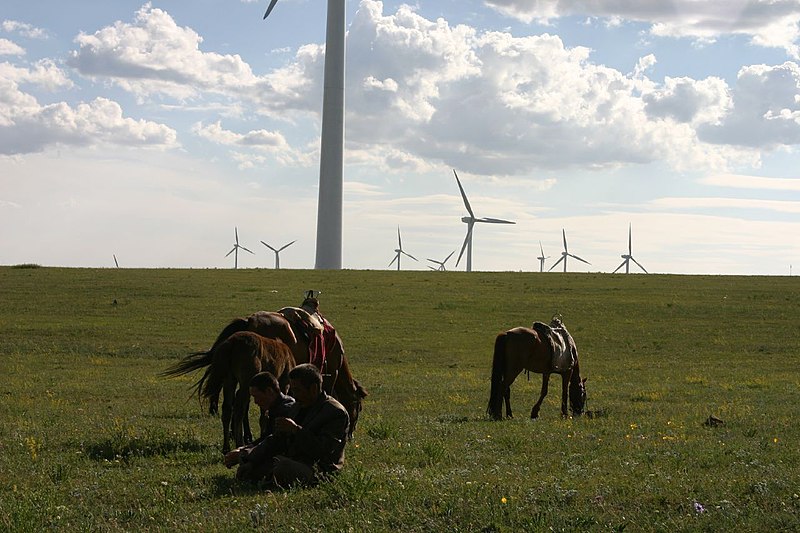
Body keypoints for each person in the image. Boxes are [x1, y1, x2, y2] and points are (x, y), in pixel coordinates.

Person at [234, 363, 349, 488]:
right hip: (294, 460)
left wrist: (296, 430)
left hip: (320, 469)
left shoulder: (335, 412)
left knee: (283, 467)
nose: (294, 395)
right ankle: (266, 477)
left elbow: (324, 451)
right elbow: (277, 440)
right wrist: (252, 460)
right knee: (257, 466)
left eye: (297, 390)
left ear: (314, 389)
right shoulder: (297, 407)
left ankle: (269, 480)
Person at [223, 372, 295, 469]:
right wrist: (245, 448)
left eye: (257, 396)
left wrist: (242, 454)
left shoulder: (284, 411)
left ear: (269, 391)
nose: (256, 402)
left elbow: (274, 445)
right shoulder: (276, 408)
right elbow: (267, 437)